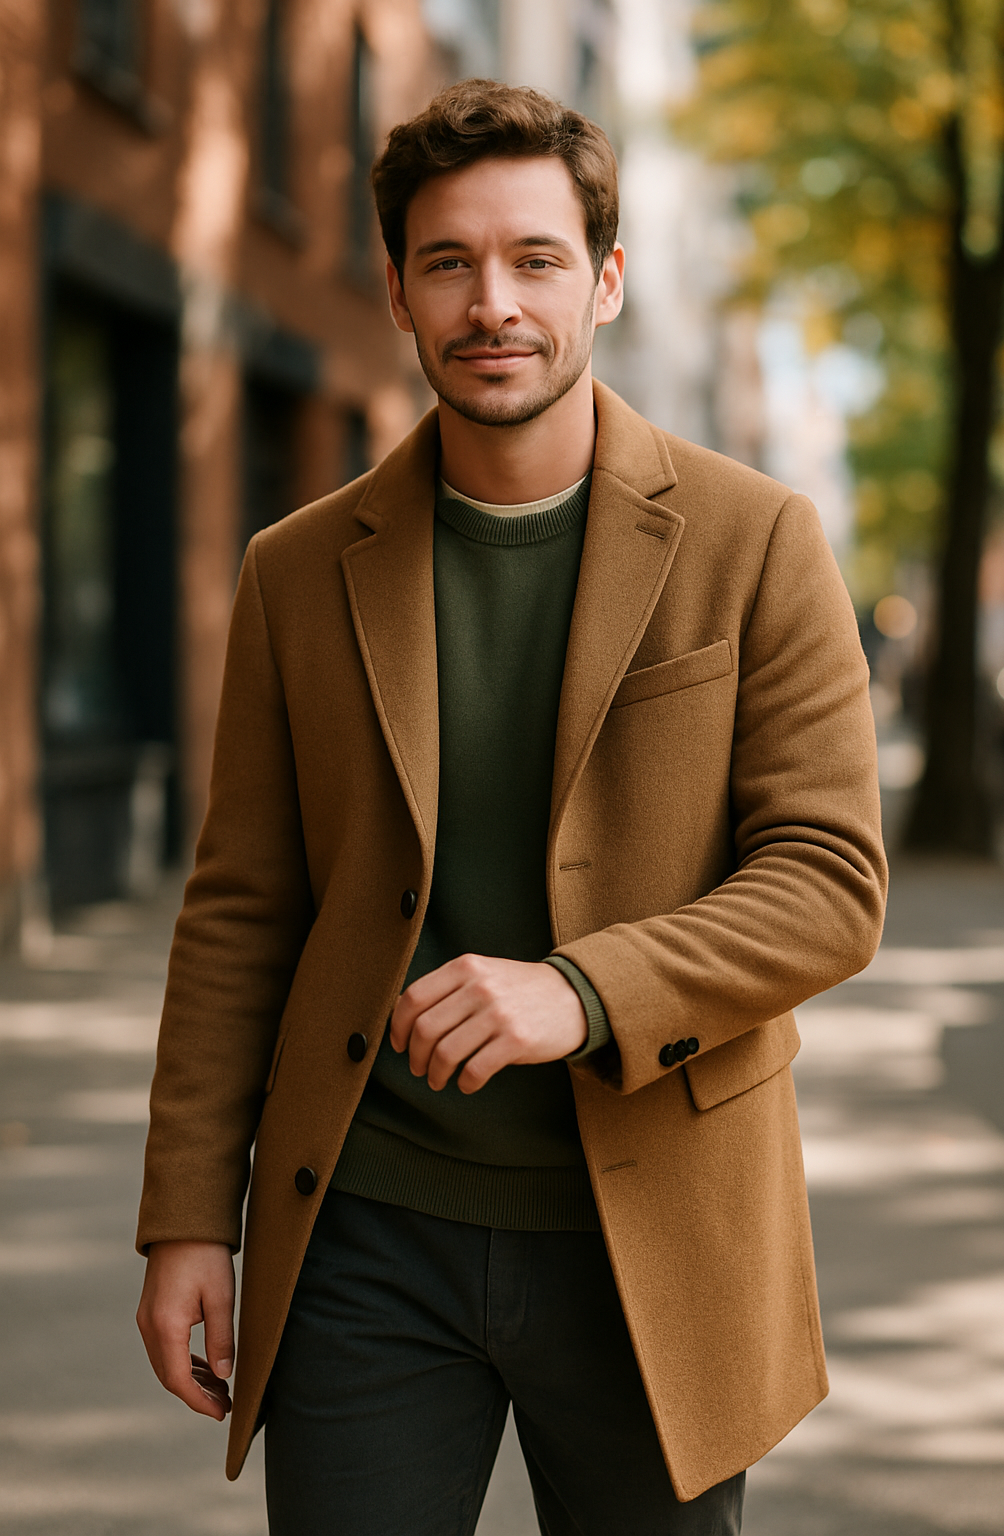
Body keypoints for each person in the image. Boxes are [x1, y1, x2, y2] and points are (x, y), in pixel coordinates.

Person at [136, 79, 887, 1536]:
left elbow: (828, 883)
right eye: (449, 263)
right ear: (401, 295)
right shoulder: (296, 572)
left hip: (654, 1238)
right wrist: (182, 1217)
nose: (495, 302)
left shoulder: (758, 541)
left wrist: (582, 991)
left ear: (603, 280)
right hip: (366, 1236)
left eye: (536, 259)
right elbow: (241, 908)